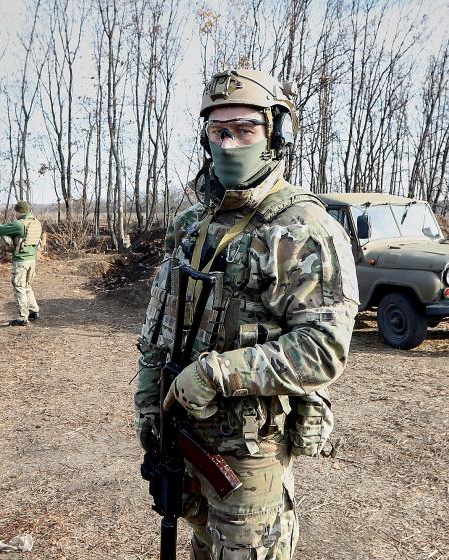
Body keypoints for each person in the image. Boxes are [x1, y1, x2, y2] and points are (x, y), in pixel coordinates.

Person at [134, 68, 359, 560]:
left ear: (277, 133)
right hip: (185, 428)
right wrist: (149, 404)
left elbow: (322, 350)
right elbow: (161, 326)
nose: (230, 142)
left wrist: (215, 373)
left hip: (252, 445)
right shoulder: (192, 223)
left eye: (245, 128)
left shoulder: (303, 228)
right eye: (219, 131)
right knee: (199, 541)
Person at [0, 200, 42, 326]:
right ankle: (34, 311)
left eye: (16, 211)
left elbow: (0, 230)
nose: (15, 213)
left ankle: (22, 318)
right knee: (27, 286)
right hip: (32, 260)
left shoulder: (19, 224)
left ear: (19, 212)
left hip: (21, 260)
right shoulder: (36, 223)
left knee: (19, 287)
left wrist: (8, 226)